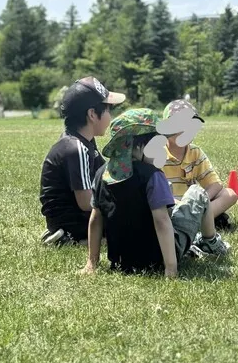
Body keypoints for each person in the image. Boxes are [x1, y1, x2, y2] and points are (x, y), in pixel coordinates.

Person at [81, 108, 230, 277]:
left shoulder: (102, 174)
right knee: (197, 192)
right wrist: (170, 269)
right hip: (156, 257)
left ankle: (92, 264)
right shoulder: (152, 176)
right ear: (138, 146)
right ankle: (210, 242)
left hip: (121, 260)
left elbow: (95, 219)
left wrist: (91, 263)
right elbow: (161, 221)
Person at [39, 77, 125, 246]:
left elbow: (106, 176)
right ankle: (69, 239)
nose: (111, 115)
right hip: (73, 222)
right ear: (92, 114)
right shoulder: (76, 148)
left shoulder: (85, 142)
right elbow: (86, 202)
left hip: (75, 217)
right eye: (108, 109)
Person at [158, 100, 238, 230]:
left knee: (230, 194)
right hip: (169, 206)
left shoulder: (195, 152)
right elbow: (156, 193)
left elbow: (215, 184)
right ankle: (201, 221)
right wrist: (182, 205)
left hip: (193, 206)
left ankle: (193, 221)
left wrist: (198, 202)